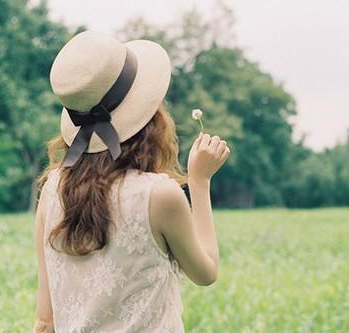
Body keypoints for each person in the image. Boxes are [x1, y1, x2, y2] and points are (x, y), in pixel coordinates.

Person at [32, 31, 230, 333]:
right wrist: (199, 182)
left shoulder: (52, 189)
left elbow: (45, 321)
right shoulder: (158, 195)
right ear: (150, 114)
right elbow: (206, 272)